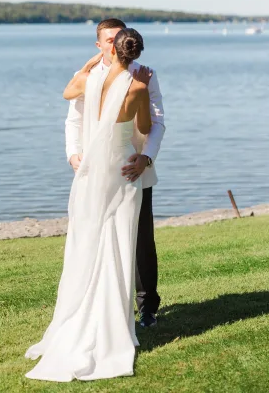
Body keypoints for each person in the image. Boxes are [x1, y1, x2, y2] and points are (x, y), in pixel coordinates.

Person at [24, 28, 154, 381]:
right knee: (119, 247)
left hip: (94, 173)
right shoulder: (139, 87)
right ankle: (115, 324)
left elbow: (68, 92)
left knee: (90, 244)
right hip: (124, 172)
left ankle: (83, 319)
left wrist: (86, 65)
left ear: (109, 49)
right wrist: (136, 91)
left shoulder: (89, 82)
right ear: (137, 54)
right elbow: (145, 127)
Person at [66, 19, 165, 327]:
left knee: (141, 240)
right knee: (97, 234)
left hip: (133, 170)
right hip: (94, 170)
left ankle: (146, 306)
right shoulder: (88, 77)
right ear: (99, 45)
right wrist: (73, 153)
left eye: (116, 38)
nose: (112, 44)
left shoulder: (144, 77)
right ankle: (102, 304)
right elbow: (74, 119)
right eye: (107, 39)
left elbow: (157, 124)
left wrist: (146, 158)